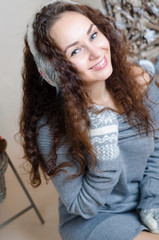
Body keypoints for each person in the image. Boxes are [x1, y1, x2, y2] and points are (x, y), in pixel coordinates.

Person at [20, 0, 159, 239]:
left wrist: (152, 200)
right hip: (97, 219)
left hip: (147, 202)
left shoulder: (139, 83)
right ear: (55, 72)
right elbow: (82, 207)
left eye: (93, 35)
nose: (96, 52)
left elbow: (157, 146)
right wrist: (104, 153)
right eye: (76, 50)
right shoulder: (50, 127)